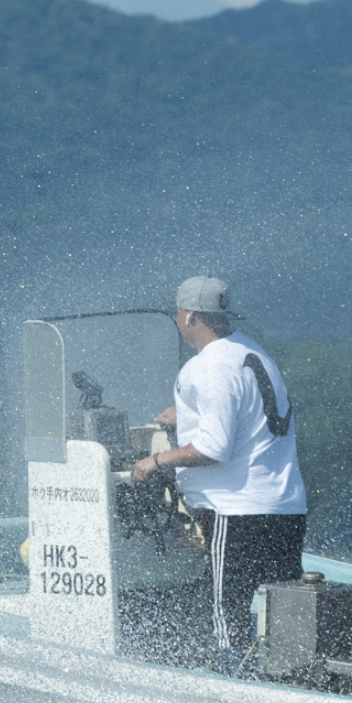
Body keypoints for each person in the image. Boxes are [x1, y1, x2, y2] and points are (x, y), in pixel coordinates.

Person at [130, 275, 307, 653]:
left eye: (178, 316)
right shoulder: (253, 353)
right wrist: (189, 417)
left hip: (237, 512)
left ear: (190, 316)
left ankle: (232, 689)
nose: (178, 323)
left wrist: (154, 460)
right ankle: (288, 683)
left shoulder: (207, 366)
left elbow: (213, 449)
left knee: (222, 614)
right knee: (289, 616)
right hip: (286, 507)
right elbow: (251, 416)